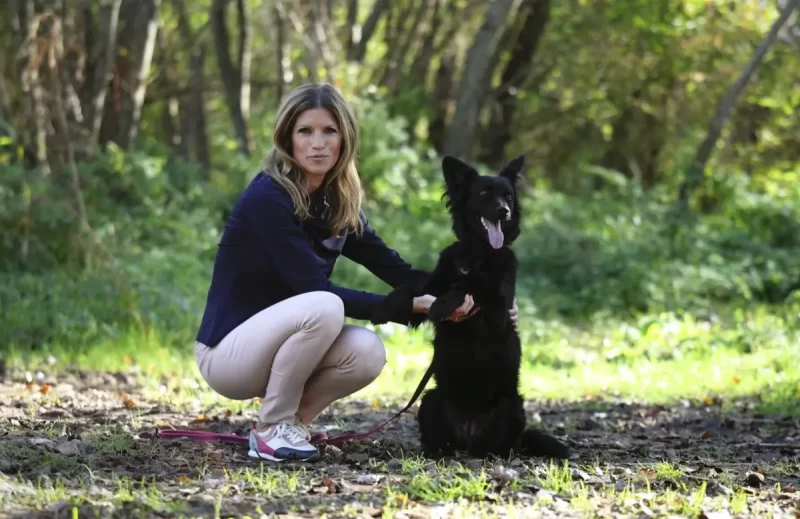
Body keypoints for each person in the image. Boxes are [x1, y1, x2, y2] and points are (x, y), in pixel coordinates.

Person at [194, 82, 517, 462]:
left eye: (329, 131)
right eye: (305, 131)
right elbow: (313, 289)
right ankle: (271, 428)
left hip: (281, 345)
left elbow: (395, 269)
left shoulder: (338, 202)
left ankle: (292, 424)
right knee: (324, 305)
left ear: (344, 138)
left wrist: (477, 297)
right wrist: (410, 306)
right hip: (229, 354)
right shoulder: (268, 198)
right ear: (287, 139)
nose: (318, 144)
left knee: (367, 352)